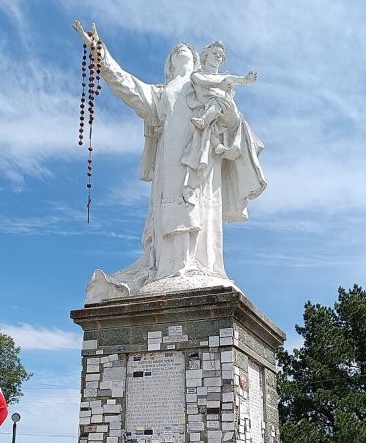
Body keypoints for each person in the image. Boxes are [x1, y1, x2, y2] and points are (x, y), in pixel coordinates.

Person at [72, 22, 267, 303]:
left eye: (187, 52)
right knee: (172, 212)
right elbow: (124, 83)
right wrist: (99, 51)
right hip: (171, 161)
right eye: (178, 53)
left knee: (200, 211)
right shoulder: (162, 94)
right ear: (170, 64)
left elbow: (234, 121)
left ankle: (200, 267)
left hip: (203, 162)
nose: (183, 53)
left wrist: (226, 112)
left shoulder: (207, 85)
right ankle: (170, 269)